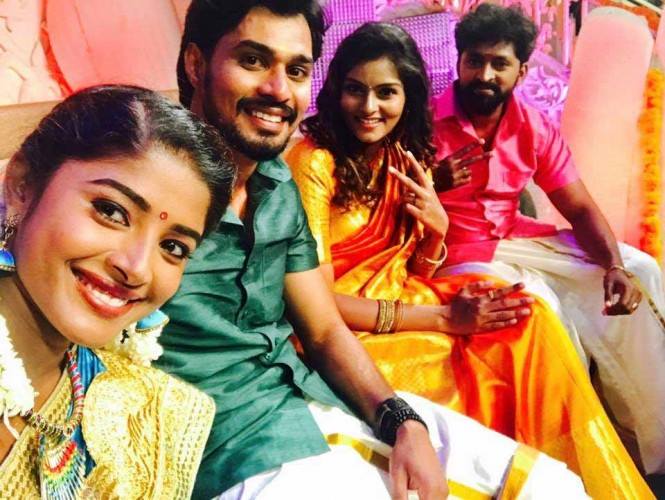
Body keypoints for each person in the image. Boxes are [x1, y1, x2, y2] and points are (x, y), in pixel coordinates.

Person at [155, 1, 613, 499]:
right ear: (196, 64)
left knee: (553, 484)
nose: (278, 89)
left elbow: (324, 330)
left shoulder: (277, 185)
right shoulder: (154, 191)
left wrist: (401, 419)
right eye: (252, 60)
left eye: (296, 70)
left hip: (309, 395)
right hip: (239, 449)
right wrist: (442, 319)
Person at [287, 21, 652, 499]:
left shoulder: (397, 153)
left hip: (407, 293)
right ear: (336, 90)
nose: (370, 107)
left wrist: (435, 228)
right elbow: (316, 307)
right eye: (356, 90)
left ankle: (574, 480)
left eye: (386, 92)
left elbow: (413, 268)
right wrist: (445, 317)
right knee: (483, 353)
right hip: (340, 329)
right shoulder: (315, 162)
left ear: (407, 97)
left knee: (526, 318)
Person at [430, 2, 665, 475]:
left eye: (499, 64)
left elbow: (579, 207)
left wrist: (614, 266)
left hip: (518, 239)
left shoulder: (533, 125)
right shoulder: (421, 120)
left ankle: (653, 441)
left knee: (641, 270)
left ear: (520, 70)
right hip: (452, 252)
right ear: (459, 61)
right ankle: (574, 458)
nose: (485, 75)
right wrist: (431, 183)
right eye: (475, 60)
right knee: (540, 307)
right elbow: (382, 202)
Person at [0, 85, 236, 497]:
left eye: (173, 247)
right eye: (111, 211)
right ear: (23, 185)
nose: (137, 268)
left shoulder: (154, 413)